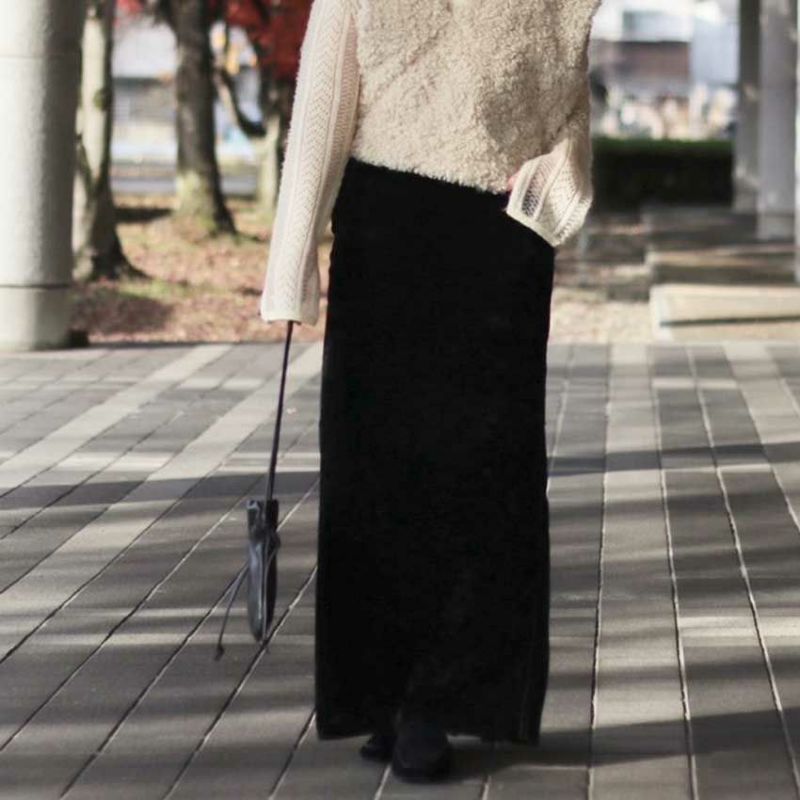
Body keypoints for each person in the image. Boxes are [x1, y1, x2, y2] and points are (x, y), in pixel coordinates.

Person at [259, 0, 601, 783]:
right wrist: (291, 265)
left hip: (501, 238)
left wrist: (552, 185)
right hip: (387, 228)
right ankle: (385, 696)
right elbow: (323, 104)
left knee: (487, 479)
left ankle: (438, 702)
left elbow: (571, 110)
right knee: (373, 473)